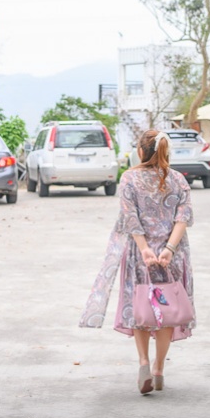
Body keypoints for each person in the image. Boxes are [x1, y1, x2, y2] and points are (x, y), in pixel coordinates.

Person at [79, 129, 195, 395]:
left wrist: (144, 249)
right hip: (171, 257)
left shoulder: (130, 178)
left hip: (138, 255)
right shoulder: (178, 180)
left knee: (141, 306)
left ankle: (143, 362)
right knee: (166, 312)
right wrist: (168, 249)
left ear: (141, 151)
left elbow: (130, 218)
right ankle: (158, 369)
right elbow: (183, 218)